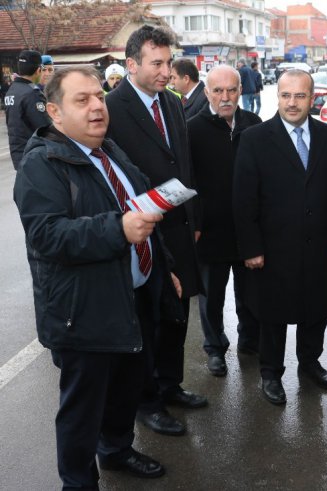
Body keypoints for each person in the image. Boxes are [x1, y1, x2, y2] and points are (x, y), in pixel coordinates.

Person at [14, 65, 177, 488]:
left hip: (131, 297)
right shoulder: (42, 164)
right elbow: (47, 236)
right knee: (83, 410)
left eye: (99, 97)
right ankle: (78, 481)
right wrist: (116, 229)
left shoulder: (108, 150)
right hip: (83, 311)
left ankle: (117, 450)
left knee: (126, 390)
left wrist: (164, 268)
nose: (96, 107)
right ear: (54, 111)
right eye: (81, 100)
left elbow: (140, 206)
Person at [106, 25, 205, 436]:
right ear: (132, 65)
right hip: (142, 234)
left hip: (178, 228)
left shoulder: (171, 101)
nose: (167, 71)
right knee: (148, 321)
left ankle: (170, 384)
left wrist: (194, 220)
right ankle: (147, 402)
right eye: (157, 63)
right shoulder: (113, 107)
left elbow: (182, 162)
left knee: (178, 315)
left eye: (169, 62)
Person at [233, 69, 327, 405]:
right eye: (286, 95)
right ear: (277, 96)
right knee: (272, 313)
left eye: (300, 96)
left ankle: (310, 363)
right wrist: (251, 247)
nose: (292, 102)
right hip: (272, 248)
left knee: (315, 308)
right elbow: (243, 200)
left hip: (315, 245)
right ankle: (271, 373)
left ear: (312, 97)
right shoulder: (255, 139)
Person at [187, 65, 262, 377]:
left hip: (247, 232)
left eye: (231, 89)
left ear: (240, 91)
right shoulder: (192, 129)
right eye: (217, 90)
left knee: (250, 295)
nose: (225, 96)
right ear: (207, 93)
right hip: (211, 233)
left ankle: (249, 340)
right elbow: (187, 182)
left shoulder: (254, 125)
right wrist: (195, 223)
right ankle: (215, 348)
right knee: (211, 298)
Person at [5, 50, 51, 170]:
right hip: (34, 155)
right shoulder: (32, 93)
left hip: (18, 153)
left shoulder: (12, 90)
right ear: (38, 70)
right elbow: (44, 127)